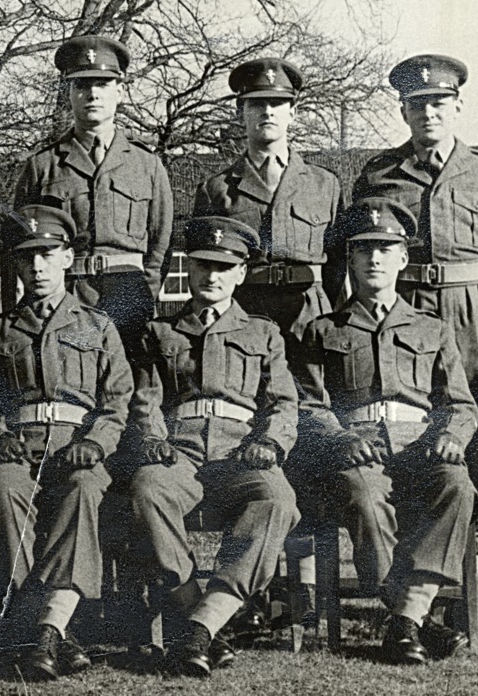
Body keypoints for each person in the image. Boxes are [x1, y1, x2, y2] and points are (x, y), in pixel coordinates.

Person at [296, 198, 477, 664]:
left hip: (421, 445)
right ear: (350, 260)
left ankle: (405, 619)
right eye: (363, 249)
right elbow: (309, 405)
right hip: (360, 450)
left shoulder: (431, 329)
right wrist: (340, 439)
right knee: (362, 495)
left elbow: (458, 402)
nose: (374, 258)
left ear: (402, 258)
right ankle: (414, 620)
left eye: (385, 248)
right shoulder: (322, 330)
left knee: (458, 487)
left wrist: (452, 434)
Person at [352, 54, 478, 559]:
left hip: (468, 309)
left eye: (439, 103)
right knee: (407, 417)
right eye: (417, 104)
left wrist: (477, 311)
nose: (429, 113)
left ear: (458, 106)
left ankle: (475, 539)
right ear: (403, 111)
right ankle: (411, 542)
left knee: (471, 421)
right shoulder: (379, 174)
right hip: (406, 308)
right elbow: (362, 244)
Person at [123, 215, 299, 677]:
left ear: (241, 272)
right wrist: (153, 438)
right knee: (147, 488)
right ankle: (202, 623)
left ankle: (199, 627)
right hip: (178, 449)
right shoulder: (160, 332)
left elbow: (283, 403)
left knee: (276, 497)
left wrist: (270, 443)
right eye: (203, 265)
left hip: (241, 452)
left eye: (225, 266)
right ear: (188, 267)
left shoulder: (263, 333)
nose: (212, 275)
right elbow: (145, 399)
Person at [0, 204, 133, 681]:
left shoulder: (98, 327)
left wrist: (98, 443)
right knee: (2, 491)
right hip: (18, 447)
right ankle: (50, 632)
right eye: (27, 257)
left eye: (47, 254)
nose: (37, 267)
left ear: (68, 258)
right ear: (16, 266)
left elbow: (117, 399)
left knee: (83, 490)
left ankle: (36, 630)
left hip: (77, 446)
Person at [13, 36, 173, 349]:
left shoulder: (147, 165)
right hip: (66, 293)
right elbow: (19, 243)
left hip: (128, 294)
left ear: (120, 91)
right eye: (82, 85)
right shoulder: (42, 166)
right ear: (69, 92)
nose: (93, 94)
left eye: (102, 83)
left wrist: (144, 292)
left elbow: (161, 244)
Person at [193, 57, 344, 362]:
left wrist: (332, 320)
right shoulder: (217, 189)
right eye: (256, 103)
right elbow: (203, 265)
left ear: (294, 112)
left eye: (277, 102)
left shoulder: (324, 185)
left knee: (312, 400)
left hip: (309, 313)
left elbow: (338, 266)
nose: (267, 111)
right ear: (241, 113)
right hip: (244, 311)